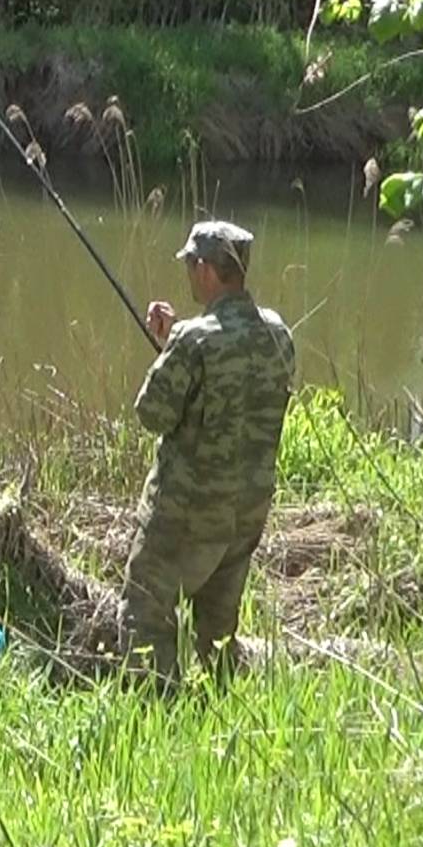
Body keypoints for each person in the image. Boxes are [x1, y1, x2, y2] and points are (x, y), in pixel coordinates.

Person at [119, 220, 296, 687]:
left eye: (190, 265)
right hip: (245, 514)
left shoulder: (193, 341)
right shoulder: (278, 335)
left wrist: (171, 350)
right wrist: (173, 342)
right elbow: (233, 376)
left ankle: (155, 714)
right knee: (217, 630)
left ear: (206, 271)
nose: (188, 274)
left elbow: (152, 413)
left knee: (146, 610)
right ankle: (221, 702)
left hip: (187, 515)